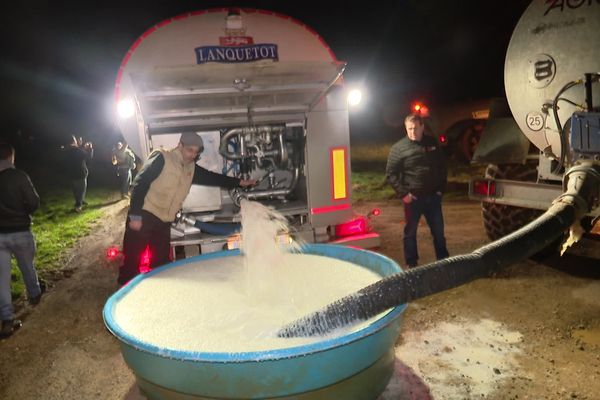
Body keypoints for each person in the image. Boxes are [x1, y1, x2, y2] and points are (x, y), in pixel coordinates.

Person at [117, 132, 256, 285]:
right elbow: (139, 184)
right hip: (145, 215)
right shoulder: (162, 158)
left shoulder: (190, 168)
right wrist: (135, 217)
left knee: (161, 263)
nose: (192, 155)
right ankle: (123, 296)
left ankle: (158, 295)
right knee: (132, 262)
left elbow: (212, 178)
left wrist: (239, 182)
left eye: (196, 152)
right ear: (180, 145)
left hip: (164, 221)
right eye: (190, 150)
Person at [385, 113, 449, 268]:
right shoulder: (399, 149)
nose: (412, 132)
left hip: (433, 198)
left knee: (439, 232)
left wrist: (440, 190)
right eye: (409, 129)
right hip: (413, 199)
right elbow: (391, 174)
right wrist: (403, 194)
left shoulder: (432, 143)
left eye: (415, 128)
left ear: (422, 127)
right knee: (410, 233)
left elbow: (442, 167)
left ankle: (444, 261)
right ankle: (411, 263)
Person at [0, 143, 43, 338]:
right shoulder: (19, 177)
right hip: (20, 230)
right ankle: (34, 295)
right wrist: (23, 211)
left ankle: (7, 319)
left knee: (2, 279)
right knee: (27, 266)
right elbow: (34, 203)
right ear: (10, 157)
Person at [64, 135, 93, 212]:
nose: (77, 141)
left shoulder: (67, 150)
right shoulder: (76, 150)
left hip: (72, 173)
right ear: (73, 141)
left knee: (76, 189)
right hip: (80, 173)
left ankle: (80, 201)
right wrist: (90, 149)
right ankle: (78, 206)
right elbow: (88, 157)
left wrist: (83, 148)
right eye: (76, 140)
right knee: (81, 190)